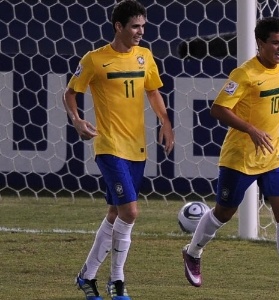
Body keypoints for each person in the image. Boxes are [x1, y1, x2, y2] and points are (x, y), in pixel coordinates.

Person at [181, 17, 279, 300]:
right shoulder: (244, 74)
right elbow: (219, 109)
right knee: (224, 213)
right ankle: (192, 252)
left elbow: (274, 105)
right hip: (240, 157)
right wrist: (251, 129)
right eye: (276, 43)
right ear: (260, 43)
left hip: (272, 154)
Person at [63, 1, 174, 299]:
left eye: (143, 26)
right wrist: (77, 120)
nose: (141, 32)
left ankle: (86, 276)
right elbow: (70, 93)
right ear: (119, 27)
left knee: (115, 213)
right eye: (135, 26)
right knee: (130, 211)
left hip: (137, 147)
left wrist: (165, 121)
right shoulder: (95, 59)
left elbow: (153, 90)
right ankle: (118, 281)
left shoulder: (145, 56)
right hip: (109, 145)